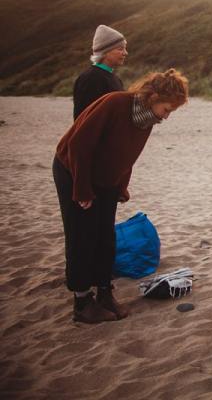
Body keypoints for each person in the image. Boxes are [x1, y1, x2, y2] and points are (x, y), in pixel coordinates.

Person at [54, 69, 189, 323]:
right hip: (73, 169)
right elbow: (78, 145)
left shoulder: (147, 119)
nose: (167, 117)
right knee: (82, 234)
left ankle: (104, 293)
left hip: (104, 177)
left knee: (105, 235)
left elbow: (128, 156)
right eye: (167, 109)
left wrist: (120, 186)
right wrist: (81, 188)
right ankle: (82, 303)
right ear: (154, 97)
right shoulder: (115, 103)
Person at [73, 25, 128, 119]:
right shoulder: (91, 78)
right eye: (120, 49)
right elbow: (85, 119)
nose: (125, 53)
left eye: (125, 48)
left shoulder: (114, 78)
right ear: (105, 51)